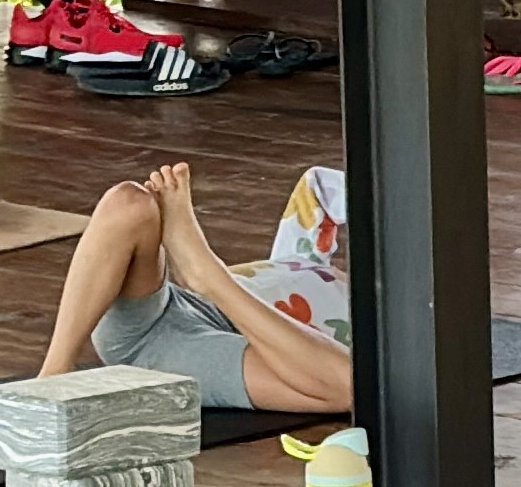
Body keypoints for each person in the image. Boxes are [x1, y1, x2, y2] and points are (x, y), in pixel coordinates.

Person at [37, 155, 353, 423]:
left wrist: (210, 279)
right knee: (128, 201)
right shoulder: (306, 256)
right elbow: (318, 184)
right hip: (177, 306)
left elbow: (355, 386)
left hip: (203, 348)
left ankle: (204, 273)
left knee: (351, 387)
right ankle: (54, 374)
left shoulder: (390, 316)